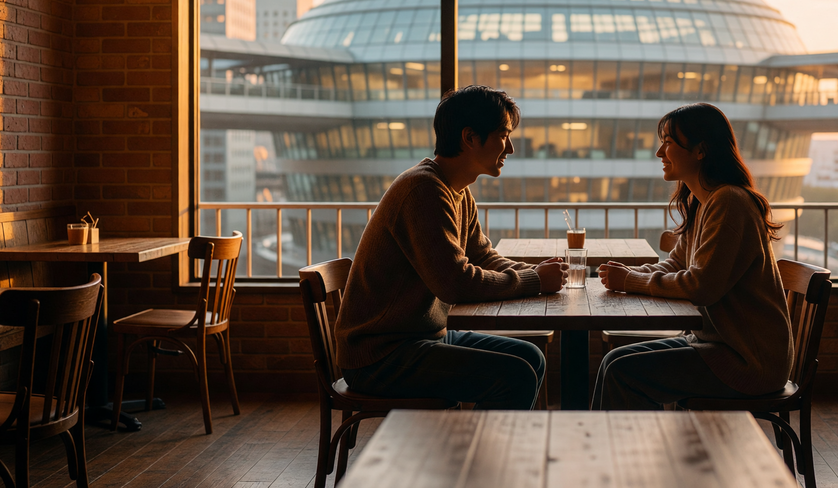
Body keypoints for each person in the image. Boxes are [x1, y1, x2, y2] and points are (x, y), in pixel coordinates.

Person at [335, 85, 566, 410]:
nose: (511, 148)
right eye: (503, 134)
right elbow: (455, 283)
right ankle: (479, 459)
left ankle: (486, 451)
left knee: (531, 357)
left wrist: (534, 273)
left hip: (420, 338)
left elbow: (483, 255)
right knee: (516, 375)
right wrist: (536, 281)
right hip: (381, 355)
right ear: (470, 137)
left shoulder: (455, 189)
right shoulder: (423, 190)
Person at [592, 103, 794, 410]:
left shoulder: (729, 201)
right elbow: (675, 264)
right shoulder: (704, 202)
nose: (660, 153)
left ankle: (629, 457)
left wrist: (632, 280)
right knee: (614, 360)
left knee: (622, 372)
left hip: (747, 362)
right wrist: (626, 276)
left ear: (700, 150)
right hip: (714, 345)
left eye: (669, 143)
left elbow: (701, 286)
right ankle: (626, 453)